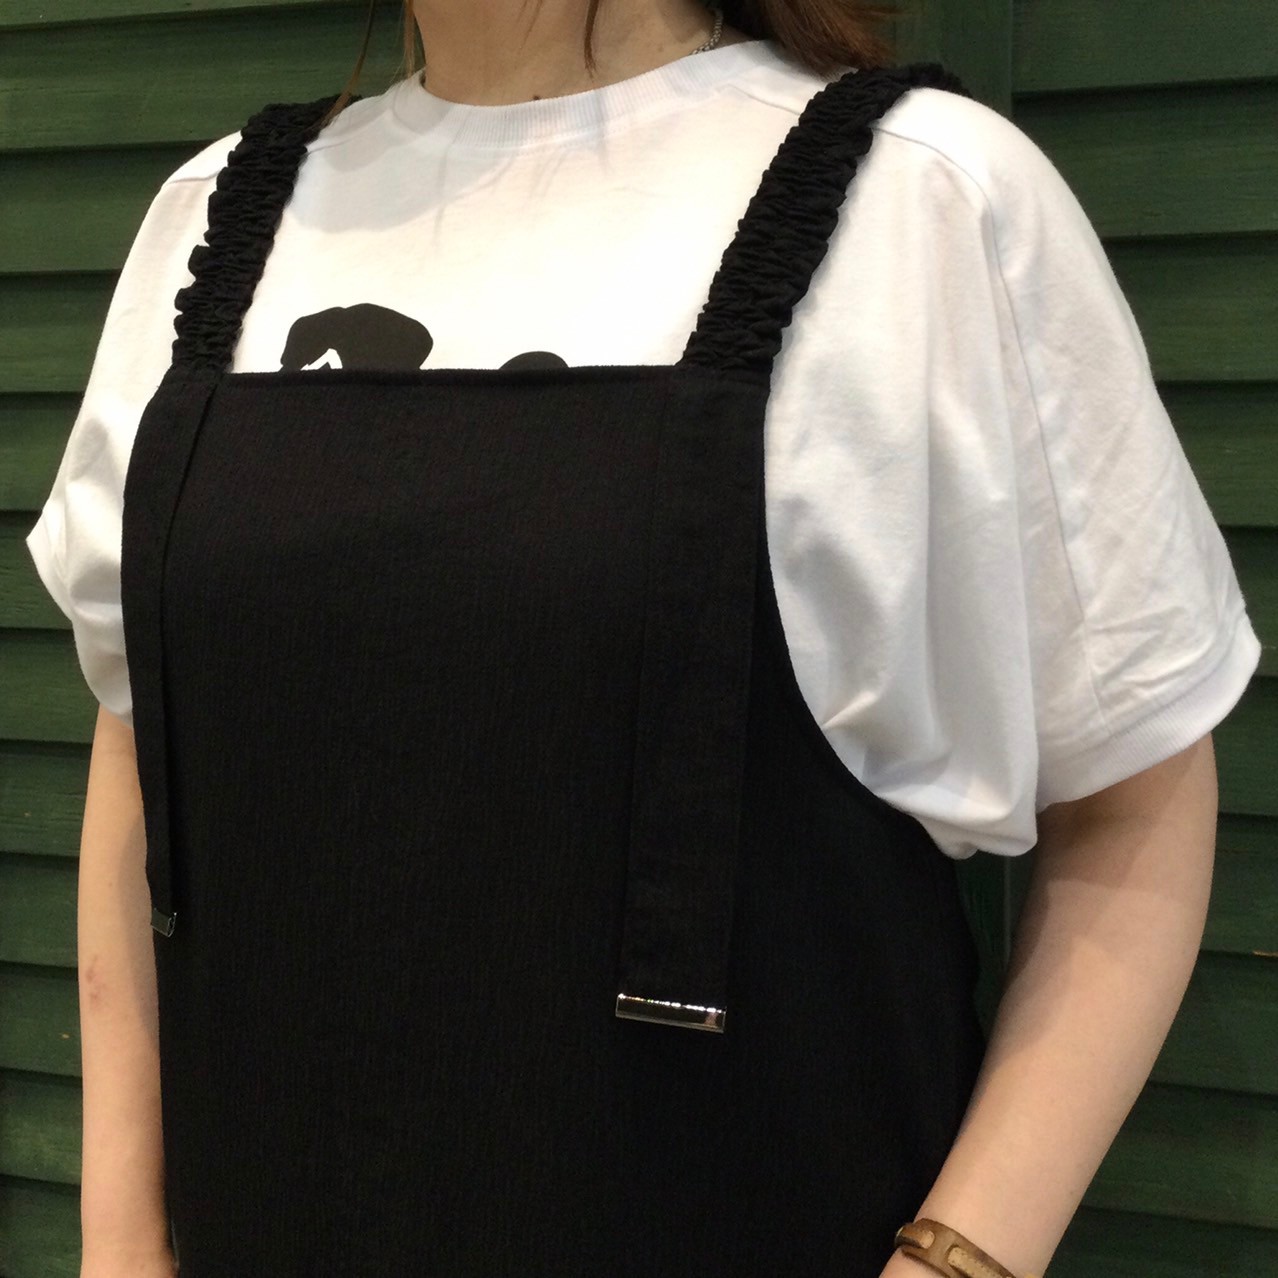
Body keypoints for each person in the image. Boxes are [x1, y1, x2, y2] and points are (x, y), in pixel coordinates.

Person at [26, 2, 1259, 1276]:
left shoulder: (924, 198)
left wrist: (958, 1259)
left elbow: (1135, 789)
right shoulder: (214, 214)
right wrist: (119, 1239)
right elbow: (142, 733)